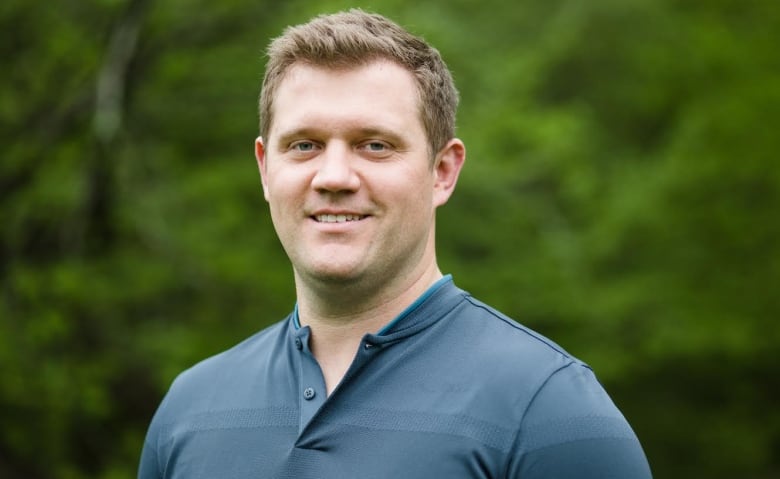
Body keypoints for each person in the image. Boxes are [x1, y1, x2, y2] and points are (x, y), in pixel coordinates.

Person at [138, 9, 652, 479]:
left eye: (375, 145)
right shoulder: (189, 410)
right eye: (304, 145)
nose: (334, 176)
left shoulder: (550, 413)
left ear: (442, 172)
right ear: (265, 168)